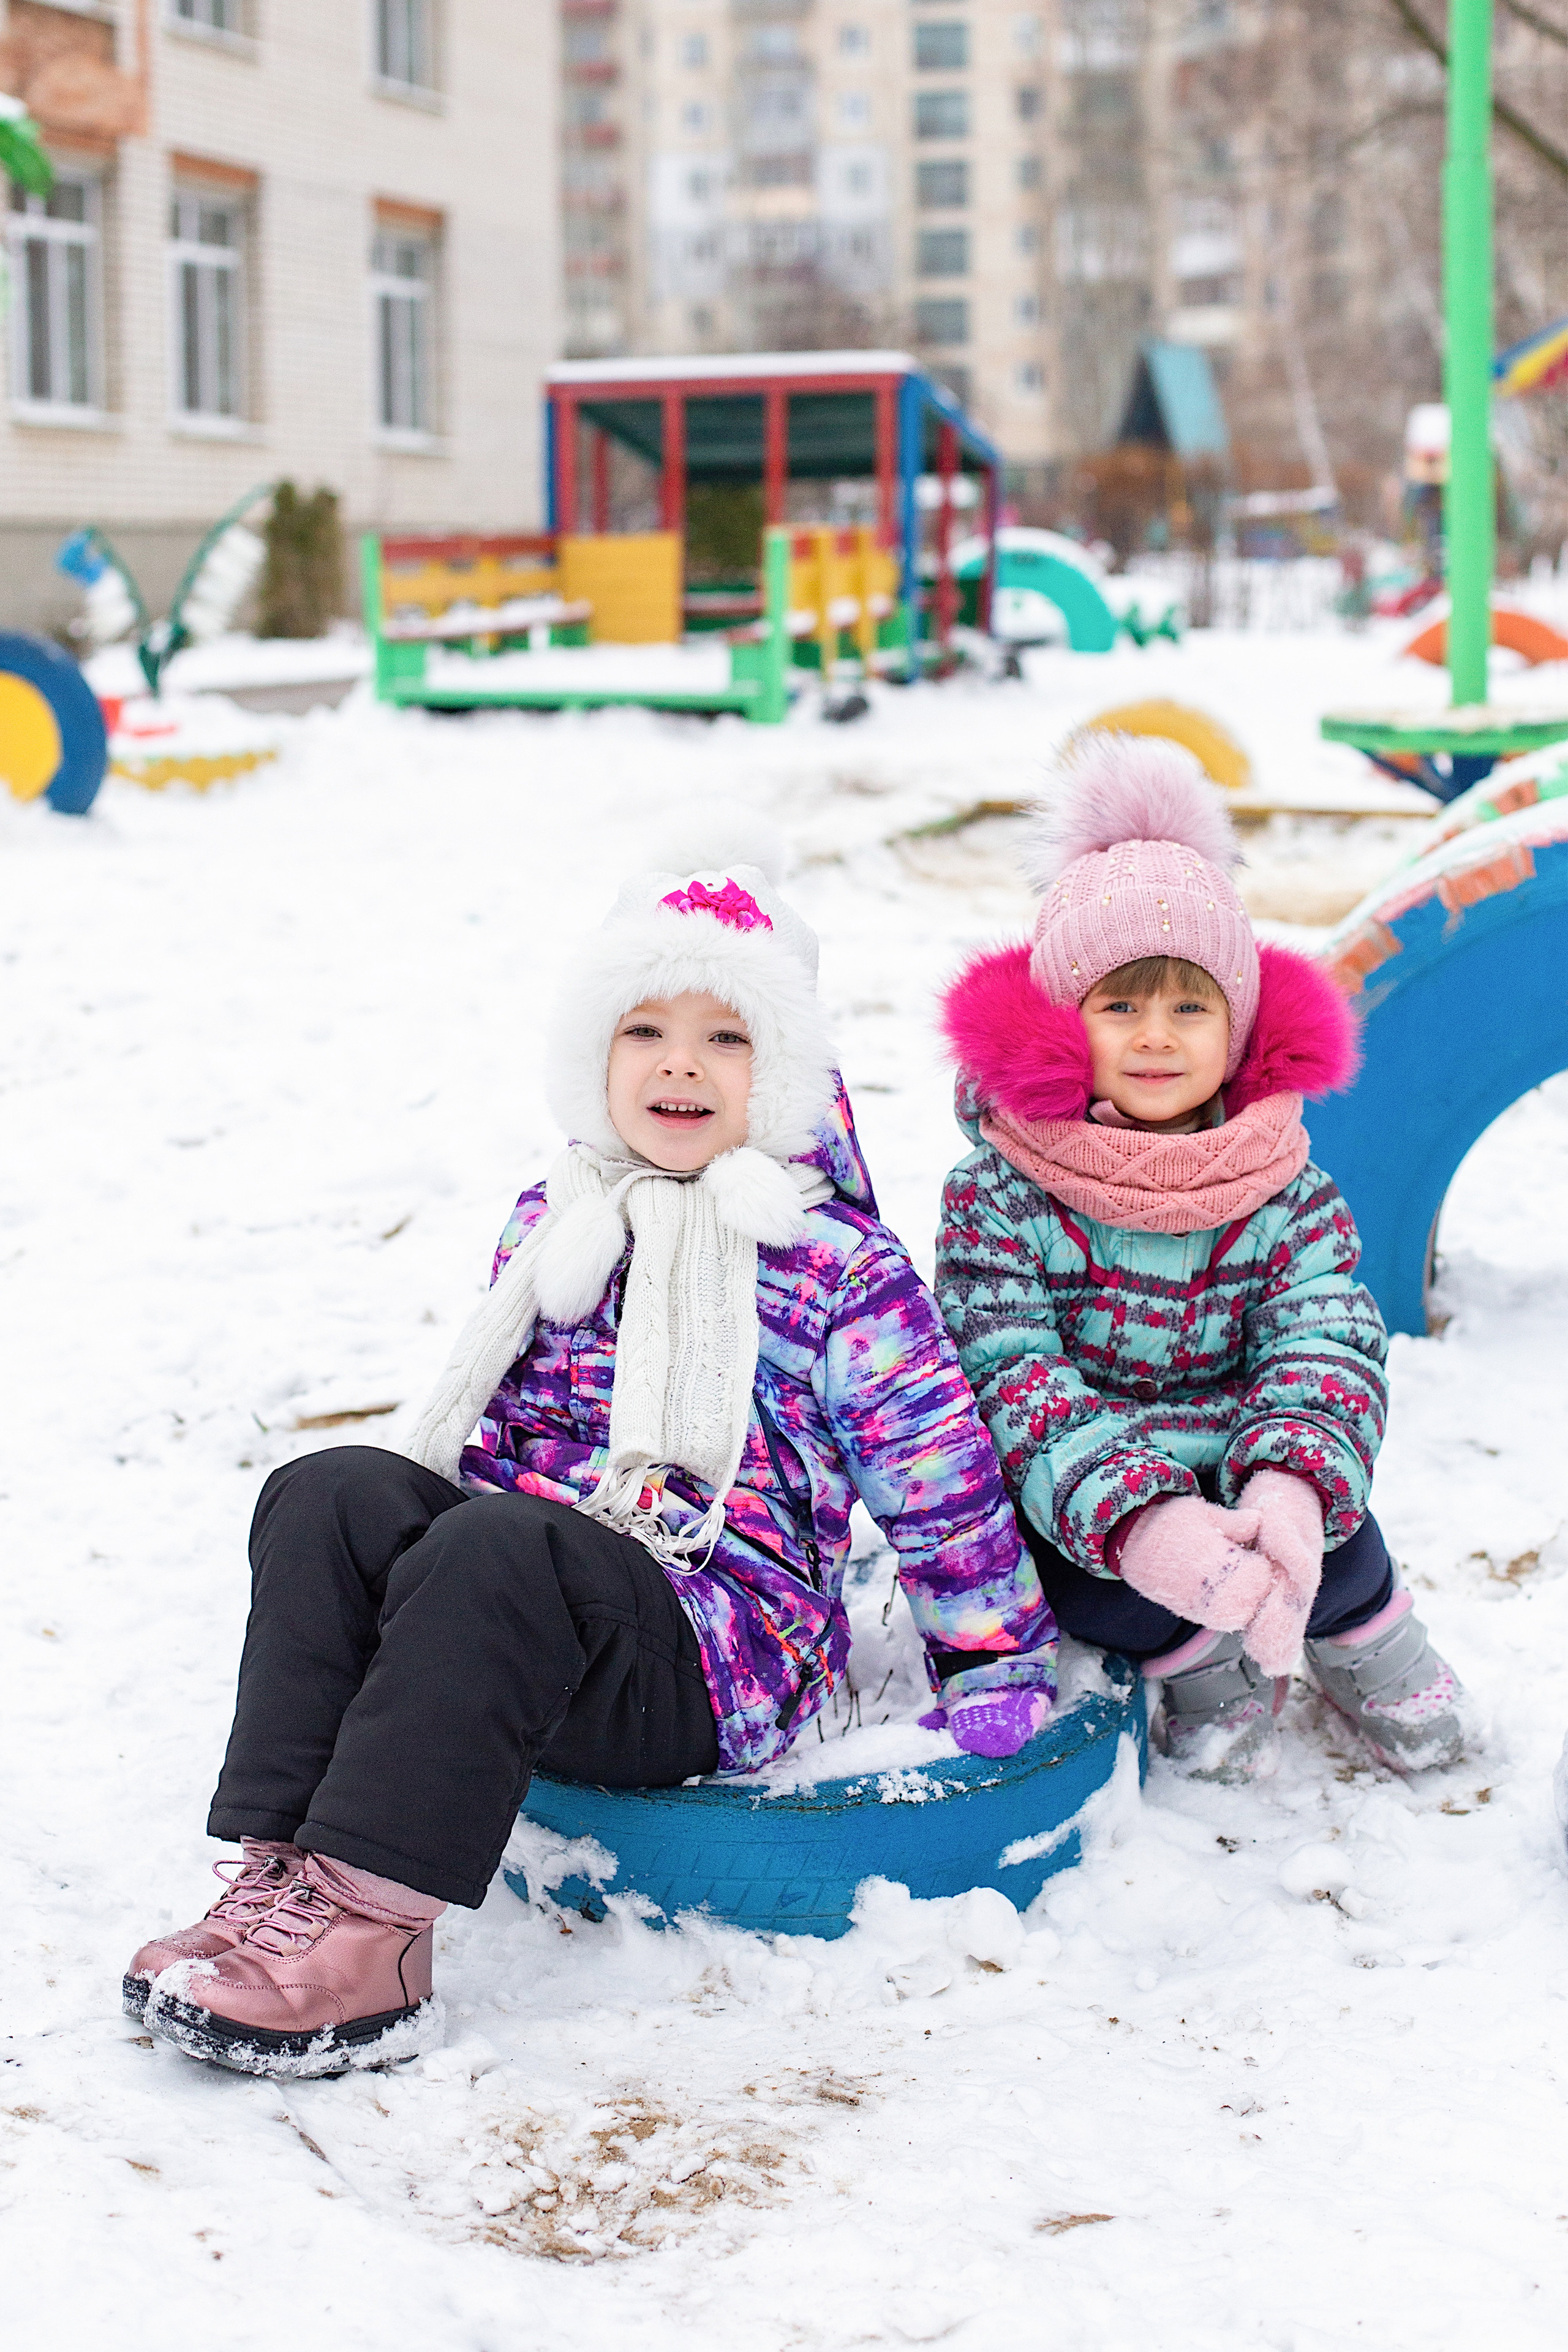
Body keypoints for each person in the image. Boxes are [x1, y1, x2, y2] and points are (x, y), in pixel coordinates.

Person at [127, 822, 1058, 2077]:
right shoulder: (558, 1215)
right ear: (593, 1054)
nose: (681, 1066)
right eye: (645, 1031)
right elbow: (495, 1426)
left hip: (717, 1640)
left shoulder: (836, 1266)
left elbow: (934, 1476)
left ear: (780, 1069)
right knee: (332, 1491)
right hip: (534, 1610)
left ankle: (374, 1934)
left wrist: (993, 1651)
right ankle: (280, 1875)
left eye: (725, 1037)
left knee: (503, 1547)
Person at [935, 736, 1466, 1784]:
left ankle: (1362, 1636)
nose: (1157, 1037)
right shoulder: (1003, 1186)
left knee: (1343, 1543)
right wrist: (1142, 1521)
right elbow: (1010, 1372)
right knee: (1093, 1591)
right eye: (1120, 1005)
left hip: (1243, 1460)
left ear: (1236, 1025)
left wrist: (1289, 1486)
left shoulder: (1281, 1176)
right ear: (1062, 1021)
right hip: (1093, 1497)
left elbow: (1324, 1335)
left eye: (1190, 1006)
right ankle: (1194, 1657)